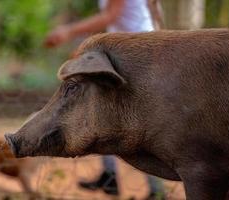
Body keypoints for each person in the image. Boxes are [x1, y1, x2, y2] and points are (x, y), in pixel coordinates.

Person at [44, 0, 165, 198]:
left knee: (134, 120)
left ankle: (153, 188)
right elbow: (152, 9)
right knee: (105, 113)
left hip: (137, 53)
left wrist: (68, 31)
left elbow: (112, 15)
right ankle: (112, 177)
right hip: (132, 49)